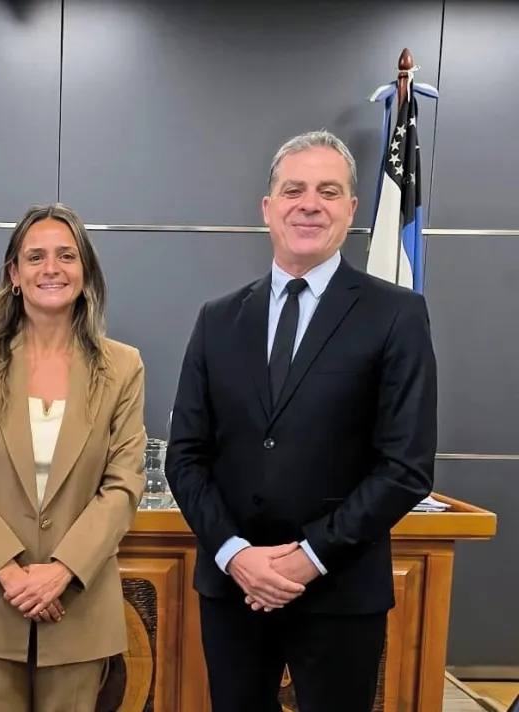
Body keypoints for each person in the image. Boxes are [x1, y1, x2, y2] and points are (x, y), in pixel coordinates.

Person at [166, 130, 437, 712]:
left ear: (351, 209)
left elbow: (405, 467)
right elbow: (185, 457)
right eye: (293, 190)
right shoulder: (217, 320)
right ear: (268, 208)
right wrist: (237, 553)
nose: (309, 204)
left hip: (340, 590)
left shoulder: (396, 315)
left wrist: (305, 558)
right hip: (233, 588)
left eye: (328, 191)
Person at [0, 203, 147, 712]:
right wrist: (12, 573)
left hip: (76, 604)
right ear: (14, 274)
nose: (51, 268)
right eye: (36, 257)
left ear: (86, 272)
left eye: (67, 256)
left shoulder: (123, 366)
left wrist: (61, 572)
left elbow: (123, 486)